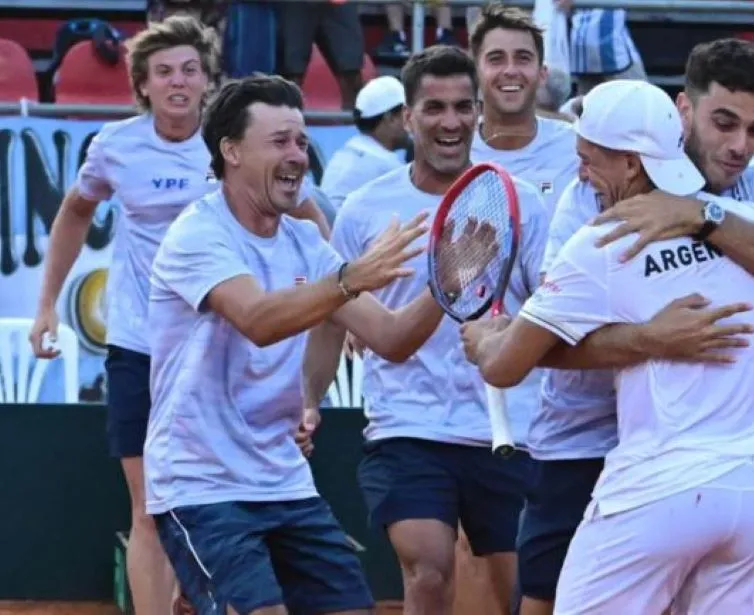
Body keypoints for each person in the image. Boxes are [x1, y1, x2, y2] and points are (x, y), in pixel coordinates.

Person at [26, 16, 326, 615]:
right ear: (143, 85)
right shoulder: (115, 146)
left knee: (222, 501)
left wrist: (336, 297)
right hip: (143, 346)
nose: (178, 82)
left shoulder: (239, 146)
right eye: (164, 72)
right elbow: (75, 213)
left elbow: (310, 223)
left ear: (208, 80)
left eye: (190, 69)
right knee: (147, 506)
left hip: (229, 351)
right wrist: (46, 305)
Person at [462, 78, 754, 615]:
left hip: (656, 493)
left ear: (631, 165)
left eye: (589, 160)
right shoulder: (749, 225)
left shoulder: (603, 241)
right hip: (749, 498)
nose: (583, 173)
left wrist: (486, 340)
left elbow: (504, 367)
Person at [143, 73, 458, 615]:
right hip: (199, 483)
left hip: (284, 480)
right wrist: (350, 278)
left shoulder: (304, 240)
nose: (297, 156)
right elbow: (258, 320)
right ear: (232, 151)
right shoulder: (199, 233)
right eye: (280, 141)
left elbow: (392, 338)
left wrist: (450, 279)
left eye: (301, 141)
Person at [317, 46, 551, 615]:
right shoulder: (366, 210)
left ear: (478, 112)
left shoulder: (522, 203)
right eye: (434, 108)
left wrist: (505, 334)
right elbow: (330, 309)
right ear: (407, 116)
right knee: (427, 570)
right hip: (408, 427)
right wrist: (306, 397)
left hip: (508, 429)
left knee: (520, 595)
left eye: (463, 107)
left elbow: (551, 305)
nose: (450, 122)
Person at [468, 4, 578, 212]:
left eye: (523, 58)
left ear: (542, 73)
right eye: (496, 59)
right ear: (475, 74)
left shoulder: (578, 148)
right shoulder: (454, 151)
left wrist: (660, 207)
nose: (510, 70)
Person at [321, 76, 410, 211]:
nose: (411, 122)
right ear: (390, 118)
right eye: (406, 115)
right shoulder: (386, 166)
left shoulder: (350, 150)